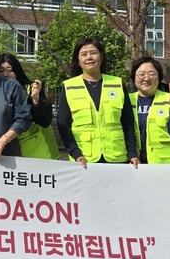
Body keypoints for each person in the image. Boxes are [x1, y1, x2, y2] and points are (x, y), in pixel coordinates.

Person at [57, 37, 138, 167]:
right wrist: (75, 153)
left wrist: (132, 153)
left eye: (93, 53)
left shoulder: (117, 84)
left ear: (101, 56)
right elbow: (63, 124)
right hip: (83, 160)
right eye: (84, 54)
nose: (89, 57)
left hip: (116, 158)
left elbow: (128, 122)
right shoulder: (69, 86)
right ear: (78, 60)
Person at [0, 53, 60, 160]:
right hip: (5, 149)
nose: (5, 74)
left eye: (10, 70)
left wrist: (35, 99)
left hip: (34, 150)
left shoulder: (31, 89)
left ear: (17, 71)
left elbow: (44, 121)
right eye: (1, 71)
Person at [129, 56, 170, 164]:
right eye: (142, 74)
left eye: (152, 74)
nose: (146, 78)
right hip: (134, 163)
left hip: (164, 165)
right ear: (134, 77)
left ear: (159, 77)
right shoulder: (126, 100)